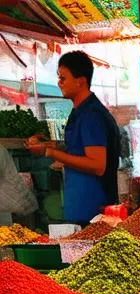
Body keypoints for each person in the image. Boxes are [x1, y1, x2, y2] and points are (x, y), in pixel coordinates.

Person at [26, 51, 119, 225]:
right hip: (80, 207)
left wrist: (50, 152)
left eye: (63, 78)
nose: (59, 83)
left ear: (80, 81)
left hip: (93, 211)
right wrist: (48, 145)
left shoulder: (91, 115)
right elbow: (77, 148)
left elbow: (98, 165)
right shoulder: (79, 111)